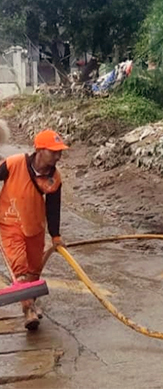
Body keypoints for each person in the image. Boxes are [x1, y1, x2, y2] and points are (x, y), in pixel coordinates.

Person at [0, 129, 67, 331]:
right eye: (53, 151)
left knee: (34, 271)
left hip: (35, 228)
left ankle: (31, 303)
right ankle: (28, 310)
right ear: (39, 150)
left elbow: (53, 209)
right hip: (9, 224)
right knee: (19, 270)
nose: (57, 156)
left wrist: (55, 236)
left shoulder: (54, 178)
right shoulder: (13, 164)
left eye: (59, 152)